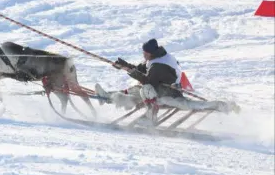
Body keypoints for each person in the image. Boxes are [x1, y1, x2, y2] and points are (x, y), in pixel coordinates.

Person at [95, 39, 240, 120]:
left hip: (168, 94)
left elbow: (147, 81)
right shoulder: (156, 57)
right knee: (135, 89)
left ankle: (150, 116)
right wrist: (124, 65)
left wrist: (128, 70)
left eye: (144, 53)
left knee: (144, 89)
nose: (143, 55)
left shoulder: (159, 65)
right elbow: (141, 70)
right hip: (160, 89)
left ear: (150, 53)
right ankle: (107, 96)